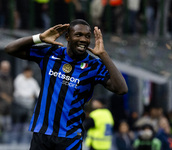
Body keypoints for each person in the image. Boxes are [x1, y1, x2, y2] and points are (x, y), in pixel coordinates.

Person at [5, 19, 128, 150]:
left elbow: (121, 89)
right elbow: (10, 49)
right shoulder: (51, 53)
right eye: (78, 34)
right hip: (42, 133)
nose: (84, 39)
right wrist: (39, 38)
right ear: (68, 37)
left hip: (70, 137)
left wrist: (103, 55)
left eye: (87, 36)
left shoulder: (94, 66)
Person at [11, 66, 40, 143]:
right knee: (17, 124)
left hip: (29, 107)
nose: (30, 73)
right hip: (19, 105)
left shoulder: (33, 81)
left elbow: (38, 92)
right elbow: (19, 92)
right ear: (25, 72)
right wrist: (30, 95)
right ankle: (14, 141)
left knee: (26, 124)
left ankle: (24, 141)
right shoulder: (19, 79)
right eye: (28, 72)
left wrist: (33, 96)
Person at [0, 60, 13, 142]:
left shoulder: (9, 78)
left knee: (8, 128)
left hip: (8, 109)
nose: (6, 70)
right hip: (0, 108)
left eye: (7, 68)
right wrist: (4, 96)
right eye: (4, 68)